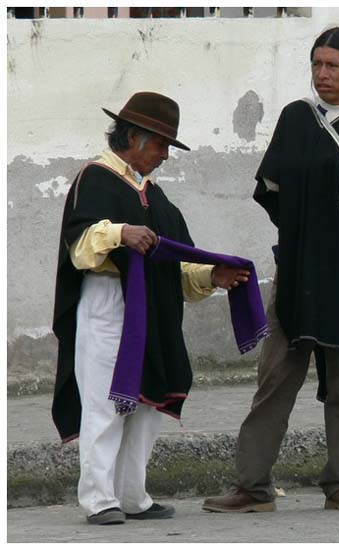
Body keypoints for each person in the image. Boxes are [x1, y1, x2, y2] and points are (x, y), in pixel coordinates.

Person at [203, 26, 339, 514]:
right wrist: (322, 196)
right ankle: (252, 485)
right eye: (317, 64)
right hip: (299, 258)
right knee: (277, 370)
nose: (322, 74)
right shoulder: (297, 117)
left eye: (333, 65)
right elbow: (272, 184)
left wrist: (314, 181)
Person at [52, 92, 252, 525]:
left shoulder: (156, 197)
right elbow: (80, 248)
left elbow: (178, 269)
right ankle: (99, 499)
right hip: (109, 303)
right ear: (134, 137)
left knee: (145, 404)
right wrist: (119, 233)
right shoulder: (96, 179)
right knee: (107, 401)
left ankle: (132, 496)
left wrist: (211, 276)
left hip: (154, 310)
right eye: (161, 145)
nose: (164, 155)